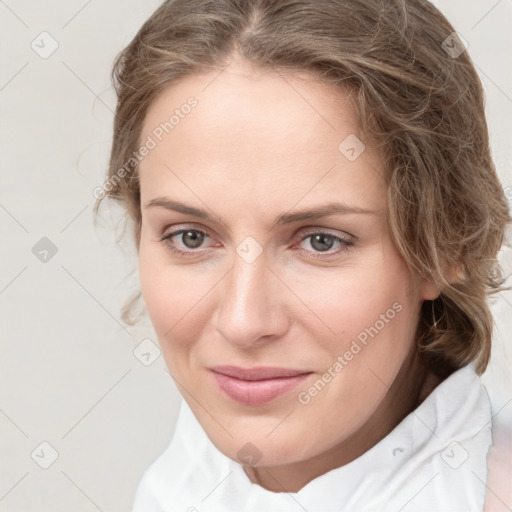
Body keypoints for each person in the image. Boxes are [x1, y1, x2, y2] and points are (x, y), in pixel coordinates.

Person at [95, 0, 512, 510]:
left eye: (321, 241)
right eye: (191, 237)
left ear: (447, 244)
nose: (243, 322)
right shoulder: (178, 482)